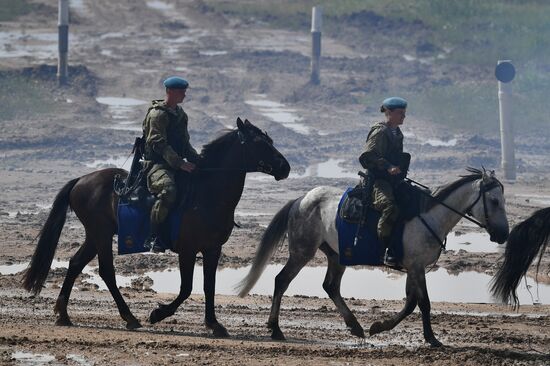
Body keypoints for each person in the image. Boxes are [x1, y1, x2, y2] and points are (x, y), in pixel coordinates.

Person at [142, 76, 200, 252]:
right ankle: (154, 237)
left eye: (184, 91)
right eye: (181, 91)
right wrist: (180, 164)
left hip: (176, 163)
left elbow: (185, 144)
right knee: (169, 191)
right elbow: (158, 143)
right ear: (170, 92)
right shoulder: (157, 114)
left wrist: (198, 161)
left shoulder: (181, 115)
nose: (184, 94)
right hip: (157, 166)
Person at [359, 97, 409, 267]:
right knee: (390, 207)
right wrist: (388, 166)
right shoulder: (380, 132)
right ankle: (383, 249)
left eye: (404, 113)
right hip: (377, 181)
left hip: (392, 180)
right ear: (388, 113)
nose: (403, 116)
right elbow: (367, 157)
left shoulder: (397, 133)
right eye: (400, 113)